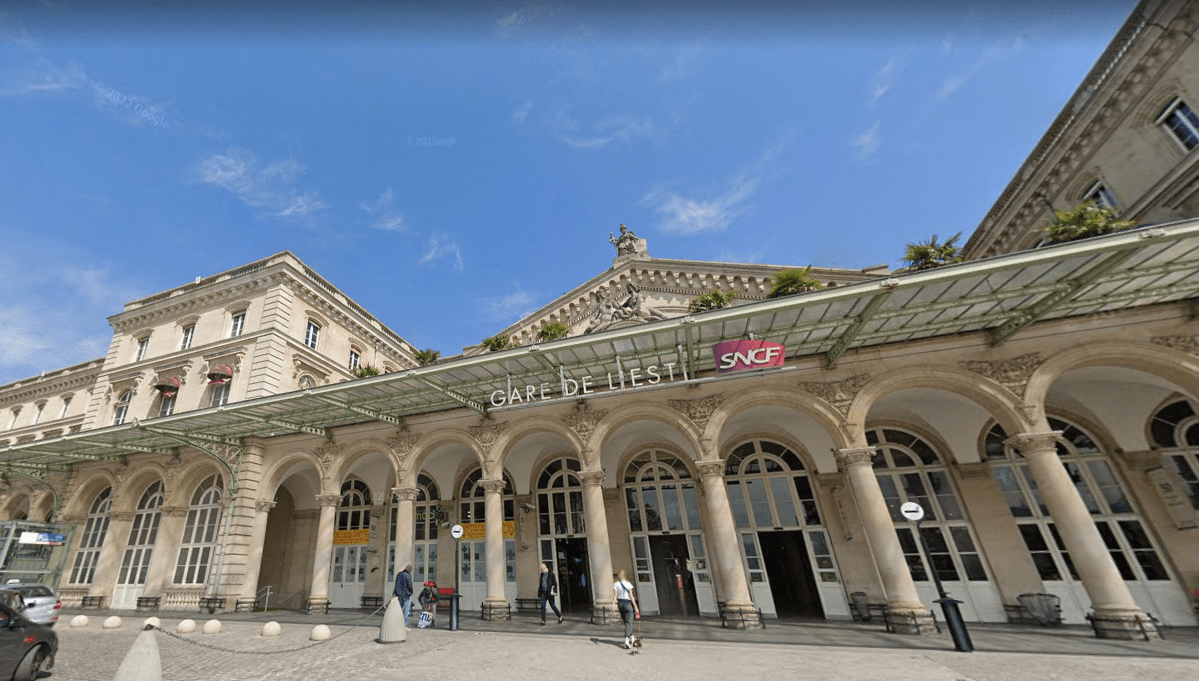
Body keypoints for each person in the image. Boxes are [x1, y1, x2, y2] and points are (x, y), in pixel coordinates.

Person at [613, 569, 640, 649]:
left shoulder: (616, 584)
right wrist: (636, 607)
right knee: (629, 622)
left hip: (620, 603)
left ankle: (632, 637)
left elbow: (615, 595)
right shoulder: (628, 584)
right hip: (627, 603)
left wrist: (613, 605)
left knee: (626, 622)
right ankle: (627, 640)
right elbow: (631, 596)